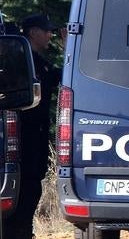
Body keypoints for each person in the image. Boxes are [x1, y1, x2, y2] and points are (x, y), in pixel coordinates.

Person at [4, 14, 64, 239]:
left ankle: (23, 232)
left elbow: (60, 78)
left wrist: (70, 49)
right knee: (26, 190)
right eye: (46, 30)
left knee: (31, 188)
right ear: (33, 32)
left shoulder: (36, 60)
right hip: (23, 137)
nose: (50, 35)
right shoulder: (21, 59)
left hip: (33, 138)